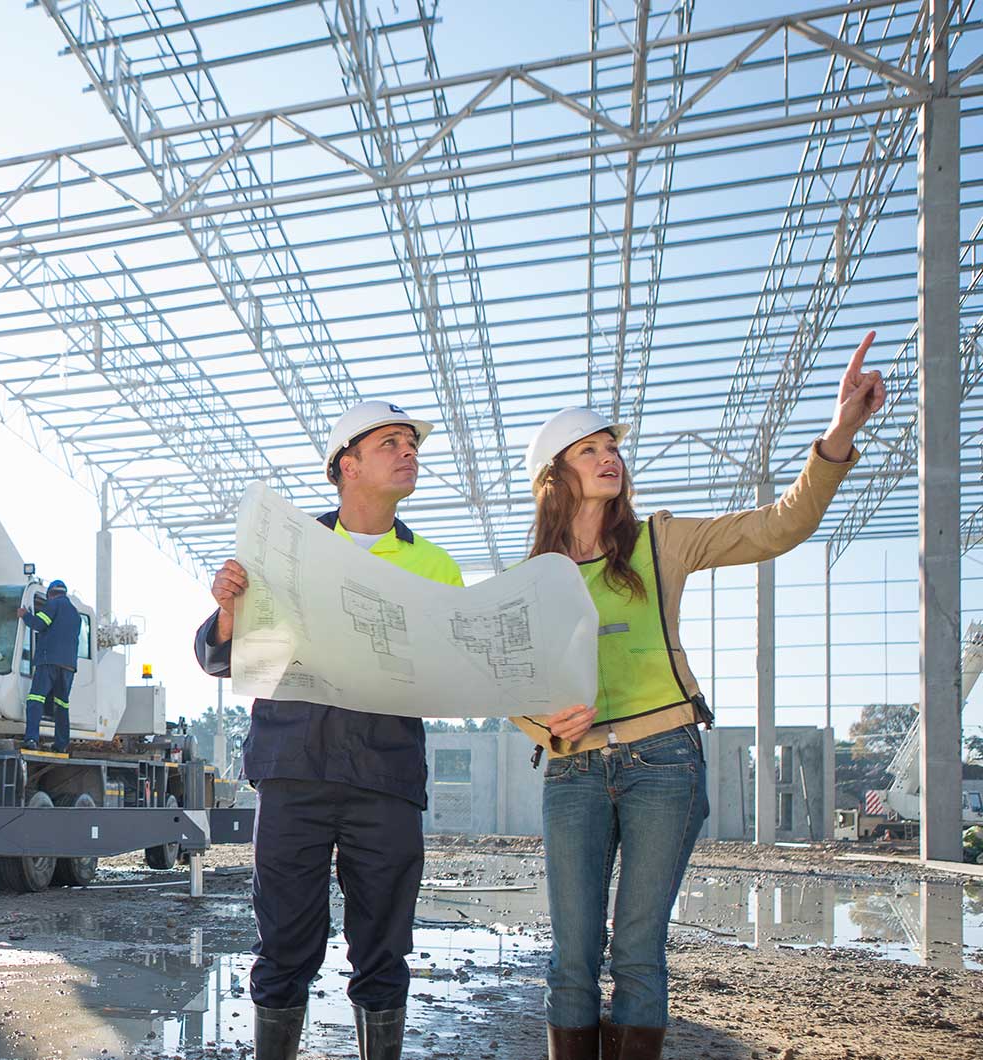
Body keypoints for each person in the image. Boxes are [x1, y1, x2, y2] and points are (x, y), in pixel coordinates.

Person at [518, 333, 884, 1060]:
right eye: (588, 450)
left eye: (611, 446)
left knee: (639, 955)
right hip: (573, 772)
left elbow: (780, 524)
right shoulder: (533, 577)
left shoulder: (663, 541)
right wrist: (543, 724)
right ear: (554, 477)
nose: (609, 456)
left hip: (665, 765)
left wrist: (836, 437)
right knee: (570, 960)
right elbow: (503, 685)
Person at [195, 400, 462, 1060]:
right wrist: (228, 611)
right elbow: (218, 658)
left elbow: (455, 671)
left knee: (385, 943)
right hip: (294, 770)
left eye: (412, 444)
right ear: (348, 466)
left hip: (386, 776)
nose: (410, 452)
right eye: (391, 443)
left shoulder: (436, 567)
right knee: (284, 941)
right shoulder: (282, 556)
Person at [18, 579, 81, 752]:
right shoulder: (75, 613)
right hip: (68, 666)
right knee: (61, 705)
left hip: (48, 662)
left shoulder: (53, 605)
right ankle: (61, 744)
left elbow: (38, 624)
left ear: (50, 594)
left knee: (35, 699)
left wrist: (25, 615)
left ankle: (31, 738)